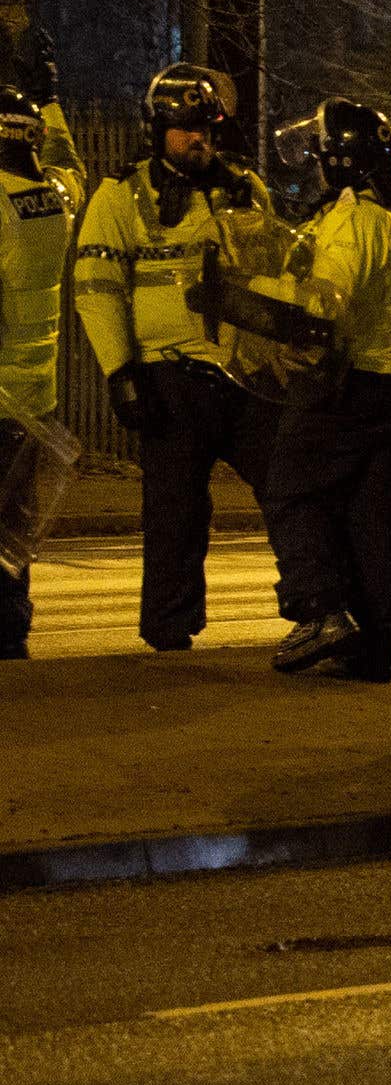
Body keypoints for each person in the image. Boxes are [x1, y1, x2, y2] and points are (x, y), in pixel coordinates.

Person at [72, 62, 277, 651]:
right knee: (174, 513)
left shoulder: (244, 188)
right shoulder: (119, 194)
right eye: (185, 130)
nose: (199, 141)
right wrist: (121, 372)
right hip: (167, 374)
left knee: (290, 490)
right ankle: (168, 630)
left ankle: (316, 606)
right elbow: (96, 287)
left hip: (242, 373)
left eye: (207, 130)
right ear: (156, 131)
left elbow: (271, 277)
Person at [231, 99, 391, 681]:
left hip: (347, 379)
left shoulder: (352, 218)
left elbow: (324, 305)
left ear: (338, 161)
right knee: (372, 508)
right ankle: (379, 637)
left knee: (292, 489)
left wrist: (244, 292)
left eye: (320, 156)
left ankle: (318, 611)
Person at [0, 32, 84, 660]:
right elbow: (70, 164)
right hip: (35, 399)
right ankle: (11, 636)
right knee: (12, 534)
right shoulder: (51, 199)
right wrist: (50, 102)